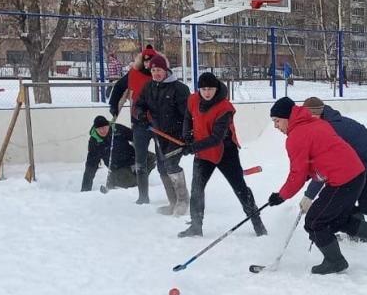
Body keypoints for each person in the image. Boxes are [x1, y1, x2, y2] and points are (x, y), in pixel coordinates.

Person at [266, 97, 367, 275]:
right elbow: (314, 162)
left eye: (277, 121)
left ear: (287, 117)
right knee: (334, 219)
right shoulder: (315, 124)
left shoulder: (297, 137)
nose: (276, 126)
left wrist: (281, 196)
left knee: (315, 221)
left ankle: (335, 261)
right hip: (354, 175)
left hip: (344, 179)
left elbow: (297, 174)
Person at [177, 72, 267, 237]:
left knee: (240, 188)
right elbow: (188, 118)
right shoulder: (193, 100)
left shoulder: (224, 108)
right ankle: (196, 226)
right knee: (197, 189)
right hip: (203, 153)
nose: (207, 92)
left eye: (210, 88)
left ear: (216, 88)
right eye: (203, 89)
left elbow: (216, 138)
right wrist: (187, 136)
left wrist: (193, 147)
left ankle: (258, 224)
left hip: (226, 151)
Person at [134, 53, 190, 214]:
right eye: (153, 70)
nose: (156, 73)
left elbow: (188, 114)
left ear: (166, 70)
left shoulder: (179, 89)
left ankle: (182, 201)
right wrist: (141, 115)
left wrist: (188, 135)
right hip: (159, 134)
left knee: (171, 165)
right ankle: (172, 202)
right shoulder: (149, 87)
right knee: (162, 167)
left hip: (176, 134)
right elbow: (139, 105)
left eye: (159, 70)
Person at [108, 45, 158, 204]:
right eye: (146, 60)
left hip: (159, 124)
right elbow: (119, 88)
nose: (149, 63)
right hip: (139, 123)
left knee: (165, 161)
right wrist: (114, 106)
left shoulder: (160, 74)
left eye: (152, 60)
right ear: (142, 61)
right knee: (140, 160)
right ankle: (143, 196)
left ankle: (175, 196)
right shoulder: (134, 74)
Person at [81, 115, 156, 192]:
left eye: (104, 127)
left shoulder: (117, 129)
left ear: (108, 125)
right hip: (118, 168)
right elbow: (91, 166)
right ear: (95, 129)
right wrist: (85, 189)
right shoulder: (94, 142)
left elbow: (135, 136)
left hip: (132, 158)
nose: (102, 131)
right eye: (99, 129)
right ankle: (116, 181)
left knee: (152, 158)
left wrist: (147, 132)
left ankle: (138, 178)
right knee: (130, 181)